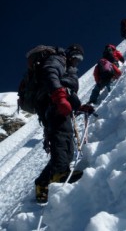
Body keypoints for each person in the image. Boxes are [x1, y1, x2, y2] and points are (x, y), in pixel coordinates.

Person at [34, 44, 85, 203]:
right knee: (61, 136)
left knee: (67, 145)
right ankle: (60, 173)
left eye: (80, 59)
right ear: (70, 54)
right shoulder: (58, 59)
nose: (77, 61)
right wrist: (59, 96)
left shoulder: (68, 68)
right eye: (76, 57)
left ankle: (42, 184)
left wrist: (78, 105)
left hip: (60, 104)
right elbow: (50, 73)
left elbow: (69, 89)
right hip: (55, 103)